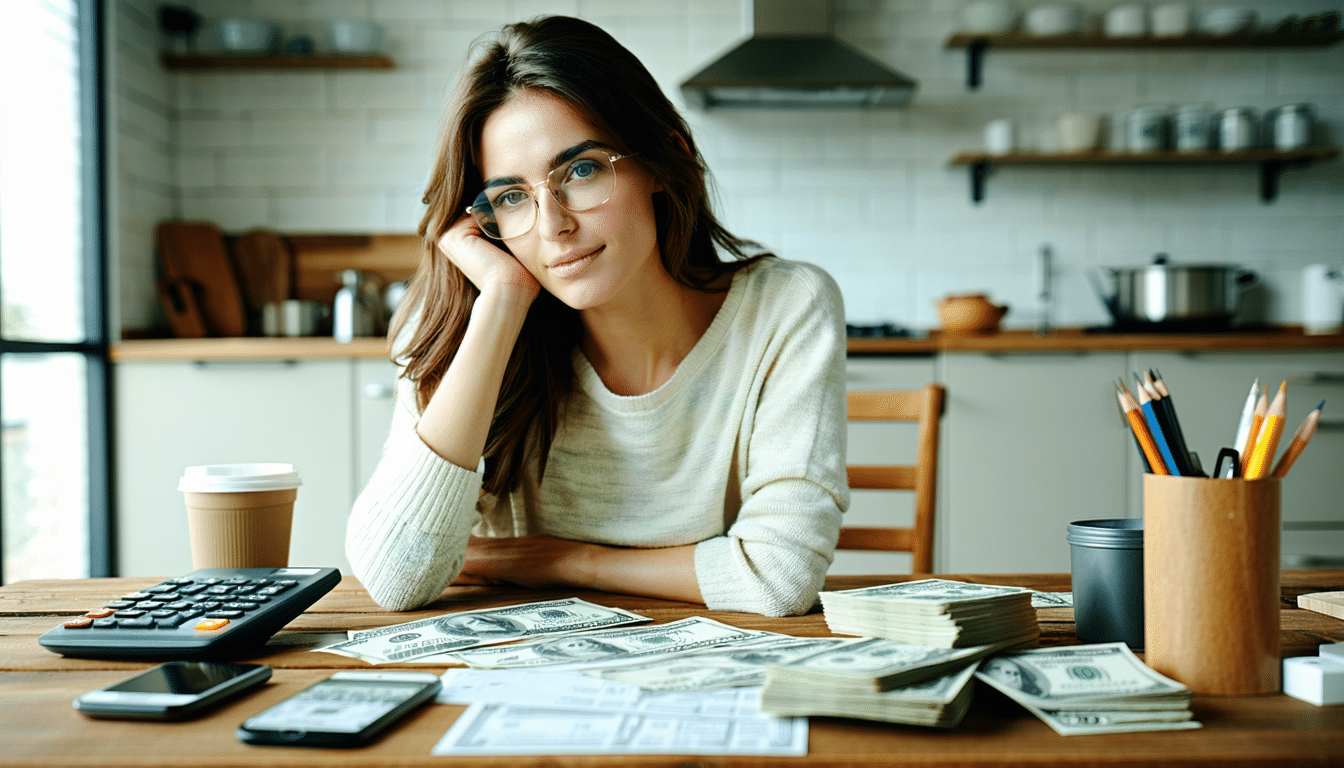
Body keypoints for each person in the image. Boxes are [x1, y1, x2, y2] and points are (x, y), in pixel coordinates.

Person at [345, 15, 849, 618]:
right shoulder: (463, 322)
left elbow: (780, 577)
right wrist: (503, 302)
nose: (553, 226)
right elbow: (395, 579)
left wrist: (559, 560)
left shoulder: (785, 307)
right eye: (512, 197)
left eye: (581, 170)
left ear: (664, 160)